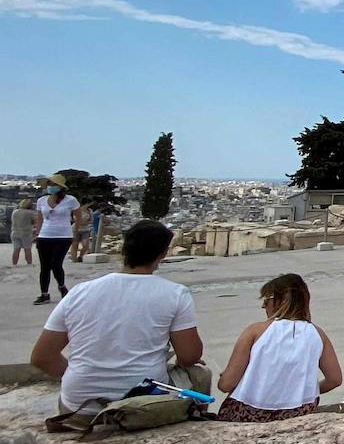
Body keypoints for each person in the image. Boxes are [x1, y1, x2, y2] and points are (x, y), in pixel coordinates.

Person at [29, 219, 208, 415]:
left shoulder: (80, 292)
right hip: (142, 402)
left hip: (79, 404)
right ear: (163, 254)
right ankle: (196, 420)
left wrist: (79, 377)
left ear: (124, 250)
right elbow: (190, 355)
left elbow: (42, 357)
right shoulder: (175, 293)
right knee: (201, 374)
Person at [217, 274, 343, 422]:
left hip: (251, 411)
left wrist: (226, 378)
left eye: (267, 299)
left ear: (281, 302)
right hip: (299, 411)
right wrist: (300, 390)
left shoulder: (255, 331)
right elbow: (335, 379)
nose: (263, 305)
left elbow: (226, 384)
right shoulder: (318, 334)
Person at [34, 173, 84, 304]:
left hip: (63, 236)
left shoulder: (70, 200)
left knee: (56, 264)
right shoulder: (41, 201)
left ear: (60, 187)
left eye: (54, 184)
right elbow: (39, 219)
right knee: (44, 267)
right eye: (49, 184)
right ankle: (44, 294)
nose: (51, 187)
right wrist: (37, 234)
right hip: (45, 236)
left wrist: (76, 230)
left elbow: (79, 216)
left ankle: (62, 286)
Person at [11, 199, 39, 266]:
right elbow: (36, 223)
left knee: (16, 249)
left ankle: (14, 264)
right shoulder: (31, 213)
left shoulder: (15, 212)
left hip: (14, 233)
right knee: (27, 249)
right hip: (26, 234)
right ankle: (29, 263)